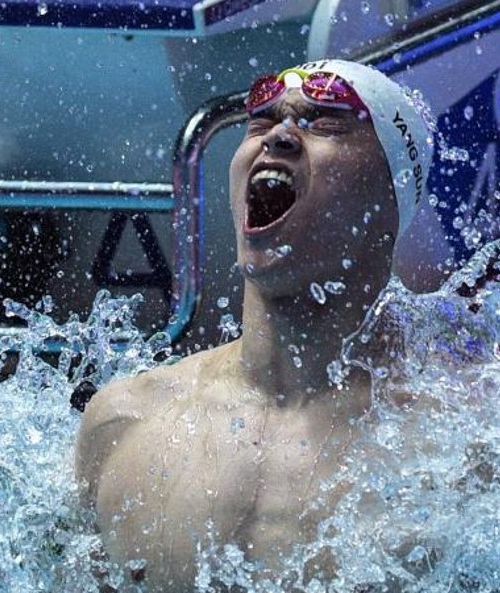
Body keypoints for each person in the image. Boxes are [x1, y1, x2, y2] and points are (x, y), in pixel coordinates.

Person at [75, 59, 434, 590]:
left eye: (327, 122)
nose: (282, 137)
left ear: (391, 196)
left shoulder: (463, 443)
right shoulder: (124, 421)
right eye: (261, 123)